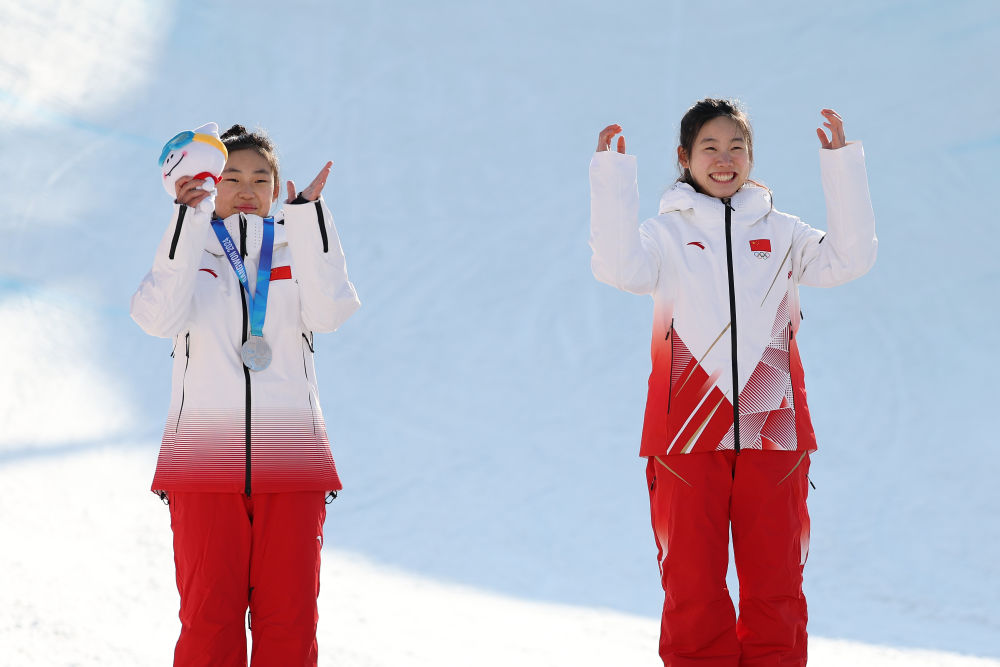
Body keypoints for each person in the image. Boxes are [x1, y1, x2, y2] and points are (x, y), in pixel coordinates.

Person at [589, 99, 876, 666]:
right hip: (686, 433)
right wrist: (612, 178)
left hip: (774, 430)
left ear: (752, 156)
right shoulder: (663, 236)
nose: (725, 160)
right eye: (710, 148)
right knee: (692, 588)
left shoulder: (783, 232)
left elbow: (849, 260)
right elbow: (619, 269)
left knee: (776, 588)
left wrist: (842, 167)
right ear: (684, 157)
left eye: (736, 147)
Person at [131, 124, 360, 666]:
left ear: (277, 189)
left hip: (293, 464)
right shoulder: (191, 249)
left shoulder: (295, 247)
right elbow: (156, 318)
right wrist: (187, 220)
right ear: (211, 182)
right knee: (209, 620)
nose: (247, 189)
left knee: (290, 620)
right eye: (232, 177)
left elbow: (331, 312)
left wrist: (308, 219)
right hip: (202, 465)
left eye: (261, 178)